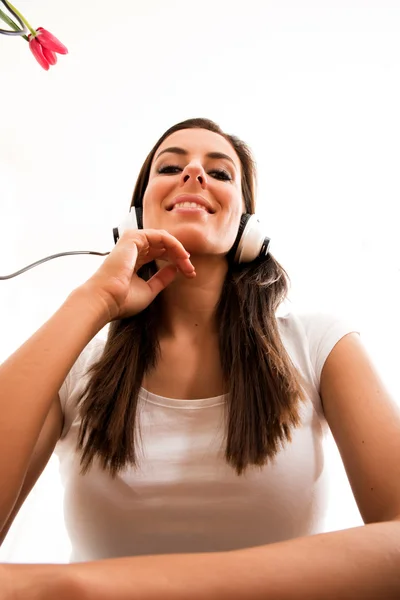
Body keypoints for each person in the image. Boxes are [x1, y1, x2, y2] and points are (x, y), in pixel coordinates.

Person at [1, 118, 400, 599]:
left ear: (249, 227)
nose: (193, 173)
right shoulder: (75, 366)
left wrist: (70, 588)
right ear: (134, 217)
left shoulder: (321, 346)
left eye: (221, 172)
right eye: (169, 166)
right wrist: (92, 301)